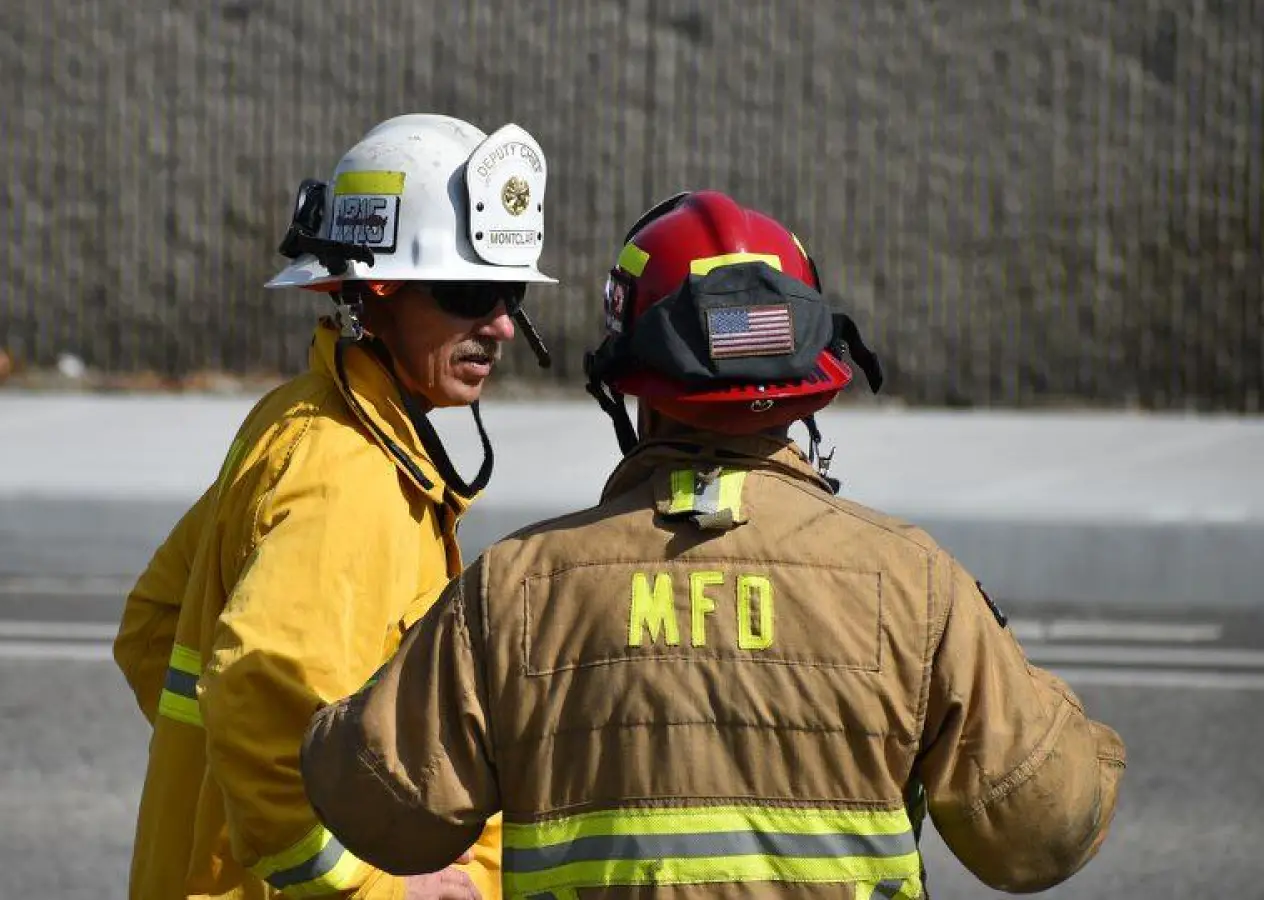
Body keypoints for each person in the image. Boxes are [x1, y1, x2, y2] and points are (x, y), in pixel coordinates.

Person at [299, 190, 1126, 899]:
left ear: (626, 383)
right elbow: (1039, 833)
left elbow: (385, 815)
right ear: (816, 375)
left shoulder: (514, 590)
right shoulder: (913, 584)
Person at [113, 113, 558, 900]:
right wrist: (373, 885)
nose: (499, 325)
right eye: (469, 291)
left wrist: (227, 795)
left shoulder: (301, 416)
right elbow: (254, 688)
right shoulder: (348, 471)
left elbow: (153, 626)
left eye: (509, 291)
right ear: (370, 294)